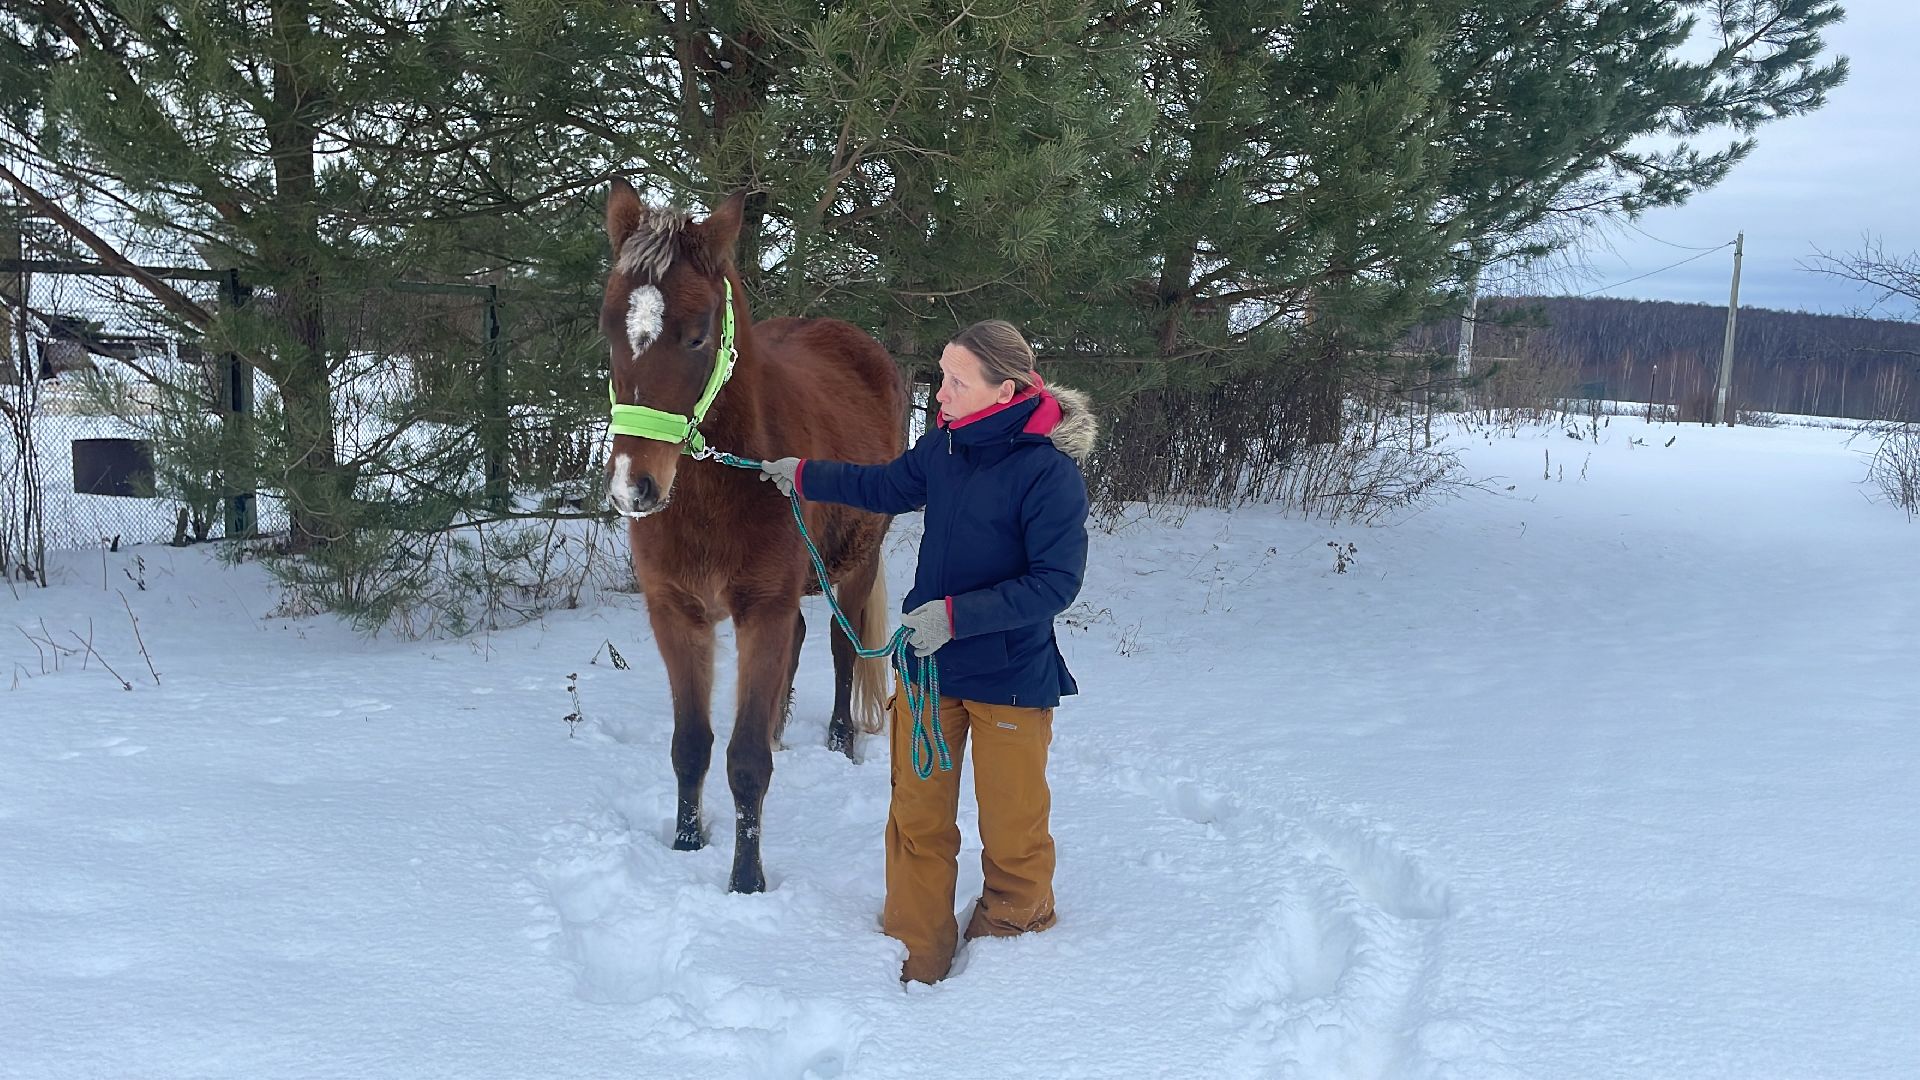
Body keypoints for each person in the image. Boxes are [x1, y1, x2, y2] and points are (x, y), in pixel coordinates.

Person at [759, 319, 1097, 984]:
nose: (939, 392)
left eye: (956, 381)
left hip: (1009, 678)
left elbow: (1056, 583)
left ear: (1004, 392)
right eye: (941, 374)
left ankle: (1012, 944)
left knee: (1012, 830)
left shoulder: (1048, 475)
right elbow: (884, 486)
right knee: (916, 820)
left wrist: (956, 615)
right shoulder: (943, 447)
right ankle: (914, 946)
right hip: (927, 669)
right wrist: (805, 473)